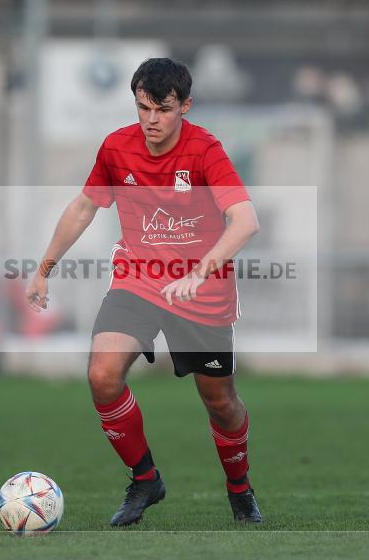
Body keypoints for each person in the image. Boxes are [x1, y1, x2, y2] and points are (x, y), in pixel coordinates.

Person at [25, 58, 262, 526]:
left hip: (203, 292)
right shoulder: (116, 147)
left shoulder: (205, 151)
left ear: (185, 106)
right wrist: (43, 268)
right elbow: (83, 207)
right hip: (138, 278)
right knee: (102, 375)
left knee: (220, 401)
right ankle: (145, 478)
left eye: (163, 110)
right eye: (143, 109)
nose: (151, 120)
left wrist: (200, 271)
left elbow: (246, 221)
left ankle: (239, 488)